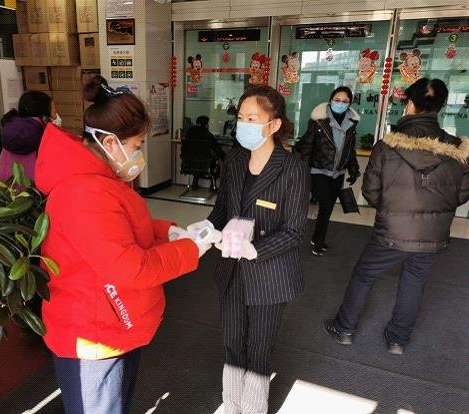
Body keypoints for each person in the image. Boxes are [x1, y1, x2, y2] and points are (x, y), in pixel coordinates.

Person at [34, 80, 218, 413]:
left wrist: (170, 232)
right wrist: (190, 249)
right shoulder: (84, 192)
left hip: (109, 320)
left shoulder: (98, 180)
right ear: (109, 142)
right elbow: (131, 268)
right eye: (137, 144)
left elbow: (122, 229)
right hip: (95, 331)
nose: (138, 154)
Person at [323, 78, 469, 355]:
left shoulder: (387, 146)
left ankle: (345, 329)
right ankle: (398, 340)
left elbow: (370, 192)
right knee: (414, 281)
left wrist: (393, 210)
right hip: (433, 235)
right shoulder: (458, 151)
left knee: (364, 275)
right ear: (439, 108)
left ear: (410, 104)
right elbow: (461, 195)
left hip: (391, 231)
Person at [188, 85, 310, 414]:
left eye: (252, 119)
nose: (243, 124)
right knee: (231, 342)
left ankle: (254, 408)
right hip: (232, 270)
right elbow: (222, 210)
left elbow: (294, 231)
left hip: (269, 274)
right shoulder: (235, 158)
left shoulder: (293, 168)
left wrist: (255, 250)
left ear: (273, 124)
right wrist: (205, 229)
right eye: (240, 117)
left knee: (258, 348)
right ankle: (231, 403)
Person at [294, 86, 361, 256]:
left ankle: (317, 237)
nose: (340, 104)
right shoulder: (319, 121)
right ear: (331, 100)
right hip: (319, 170)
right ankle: (318, 242)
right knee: (325, 205)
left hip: (338, 173)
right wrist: (301, 170)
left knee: (329, 207)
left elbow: (350, 149)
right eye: (337, 100)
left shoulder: (351, 123)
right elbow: (306, 146)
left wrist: (354, 169)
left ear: (350, 104)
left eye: (345, 101)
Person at [0, 90, 60, 182]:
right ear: (44, 117)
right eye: (54, 111)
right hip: (33, 188)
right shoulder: (43, 136)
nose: (56, 117)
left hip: (7, 186)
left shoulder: (12, 130)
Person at [183, 115, 226, 189]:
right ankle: (213, 184)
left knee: (197, 161)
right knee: (216, 162)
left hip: (189, 163)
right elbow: (216, 149)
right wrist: (224, 157)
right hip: (205, 164)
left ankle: (195, 182)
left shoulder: (188, 133)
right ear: (206, 124)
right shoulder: (207, 134)